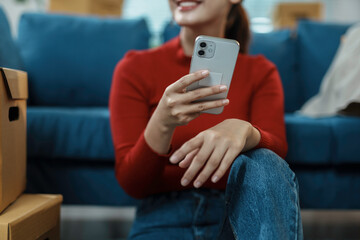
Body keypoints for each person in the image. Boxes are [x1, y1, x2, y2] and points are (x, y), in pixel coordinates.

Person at [109, 0, 303, 239]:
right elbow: (133, 185)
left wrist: (246, 132)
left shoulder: (261, 71)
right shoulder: (134, 68)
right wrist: (161, 123)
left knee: (264, 159)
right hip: (163, 217)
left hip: (240, 213)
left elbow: (276, 159)